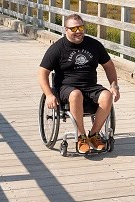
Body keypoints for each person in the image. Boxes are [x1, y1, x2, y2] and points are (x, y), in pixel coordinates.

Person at [38, 13, 121, 154]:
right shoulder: (58, 48)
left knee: (107, 96)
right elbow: (42, 73)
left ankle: (94, 134)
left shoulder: (94, 45)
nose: (78, 32)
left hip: (90, 86)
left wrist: (114, 85)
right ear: (66, 30)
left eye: (81, 27)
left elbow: (109, 66)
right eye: (74, 29)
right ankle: (81, 136)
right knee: (76, 94)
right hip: (66, 88)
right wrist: (49, 94)